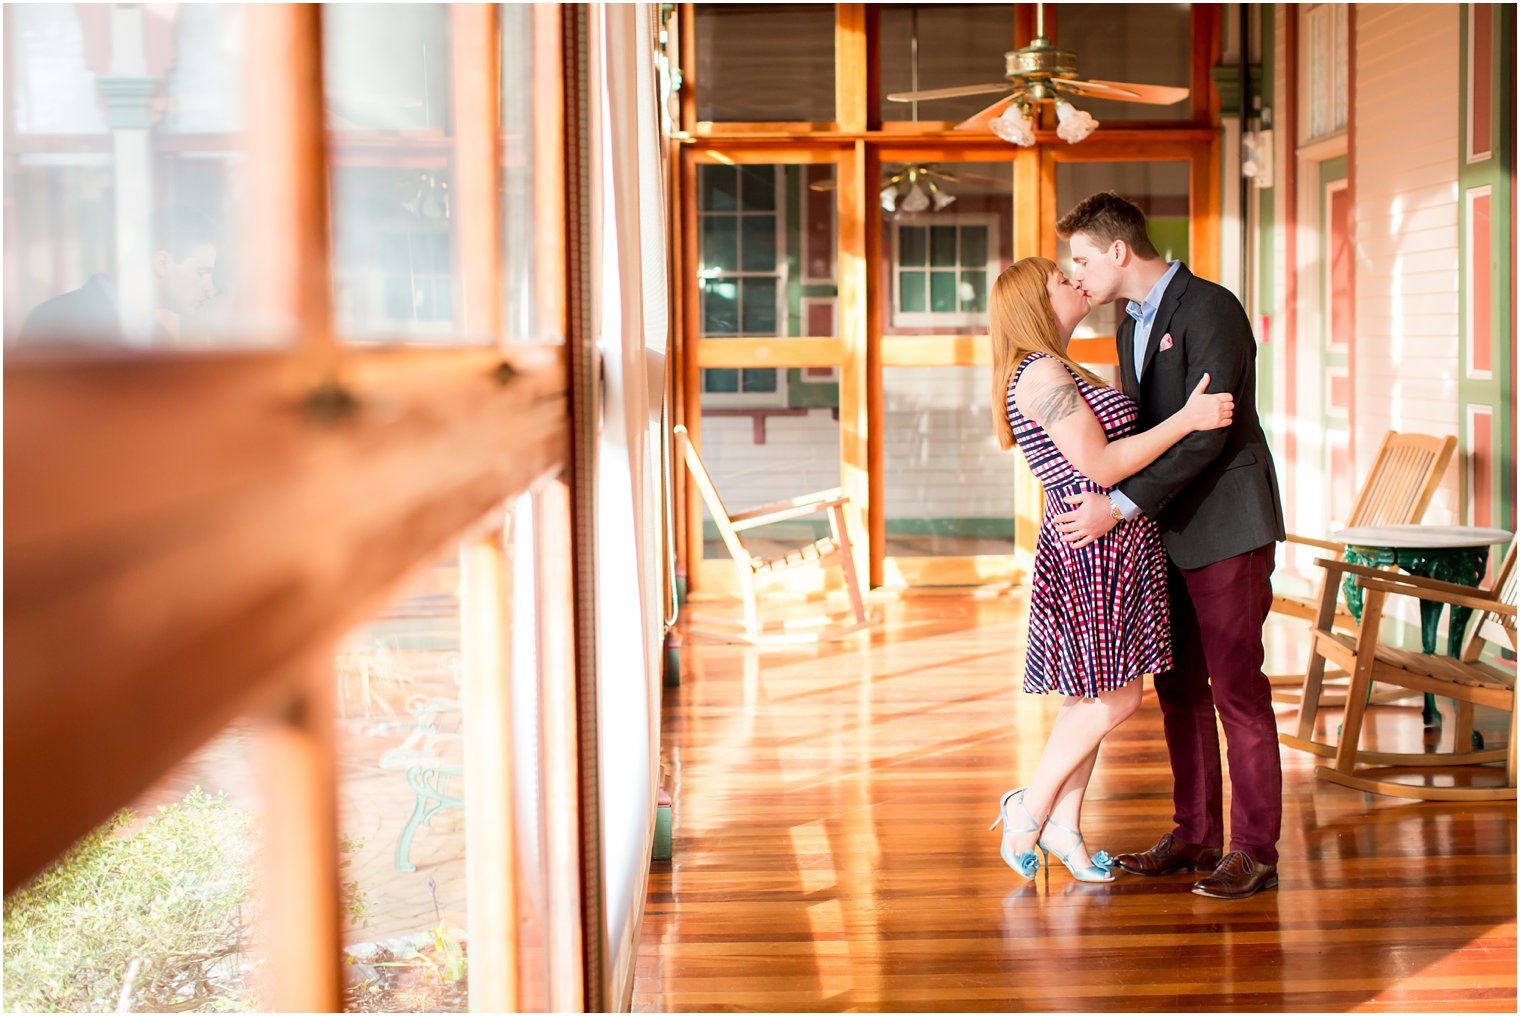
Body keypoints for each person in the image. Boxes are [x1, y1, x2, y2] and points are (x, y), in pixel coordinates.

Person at [1054, 191, 1286, 900]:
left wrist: (1119, 507)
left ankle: (1254, 851)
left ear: (1119, 251)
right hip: (1169, 533)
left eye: (1083, 260)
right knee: (1177, 691)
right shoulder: (1129, 323)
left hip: (1226, 527)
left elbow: (1209, 433)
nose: (1079, 275)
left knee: (1236, 692)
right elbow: (1146, 433)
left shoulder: (1212, 307)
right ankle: (1194, 835)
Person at [988, 255, 1234, 884]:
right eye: (1059, 282)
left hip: (1107, 542)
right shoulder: (1041, 372)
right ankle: (1030, 806)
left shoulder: (1055, 366)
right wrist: (1185, 420)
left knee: (1089, 698)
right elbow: (1099, 466)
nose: (1075, 283)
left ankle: (1066, 829)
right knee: (1119, 698)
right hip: (1093, 549)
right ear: (1036, 307)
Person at [20, 204, 218, 346]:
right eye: (201, 273)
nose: (210, 289)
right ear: (162, 262)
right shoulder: (53, 322)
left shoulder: (160, 338)